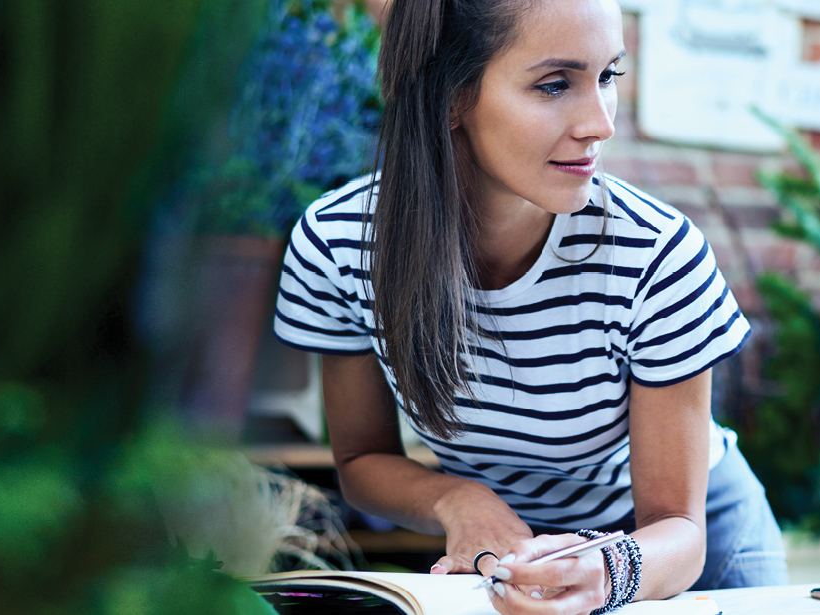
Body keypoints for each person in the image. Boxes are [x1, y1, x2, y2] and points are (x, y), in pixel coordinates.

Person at [272, 0, 788, 612]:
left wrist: (602, 570)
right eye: (553, 85)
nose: (600, 123)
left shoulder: (657, 255)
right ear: (450, 96)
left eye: (608, 77)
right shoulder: (339, 247)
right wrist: (458, 501)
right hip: (511, 558)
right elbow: (361, 461)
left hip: (685, 556)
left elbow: (680, 528)